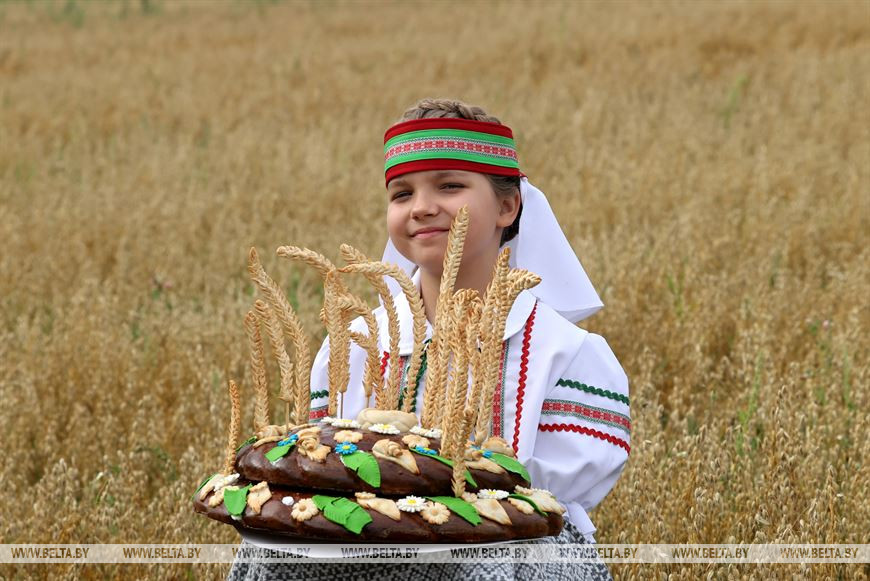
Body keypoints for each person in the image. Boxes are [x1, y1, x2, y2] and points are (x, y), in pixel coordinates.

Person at [228, 99, 629, 581]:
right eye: (402, 194)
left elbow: (555, 496)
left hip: (513, 547)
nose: (421, 207)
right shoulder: (355, 343)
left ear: (507, 206)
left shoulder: (563, 351)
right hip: (360, 545)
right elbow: (315, 466)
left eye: (450, 186)